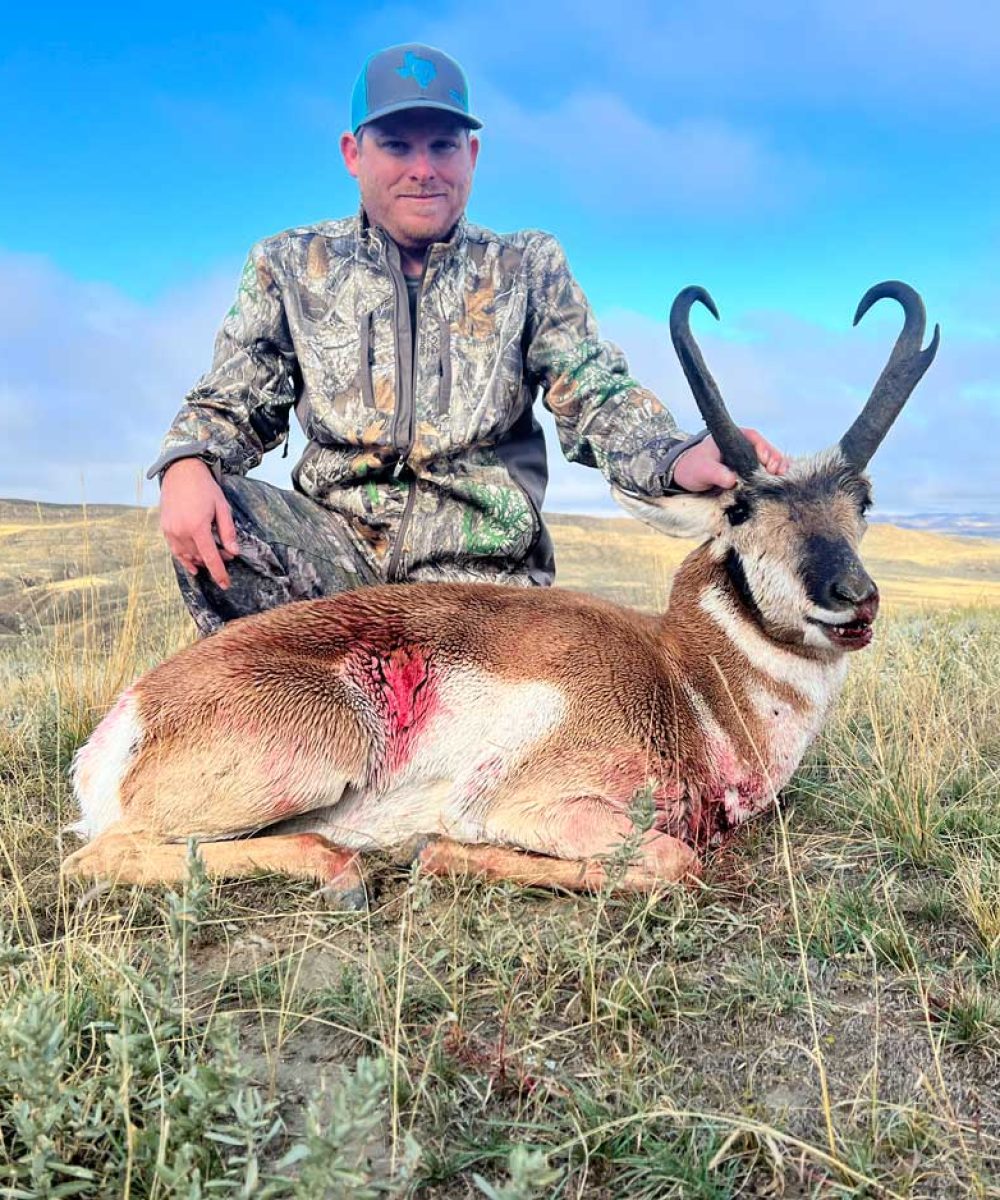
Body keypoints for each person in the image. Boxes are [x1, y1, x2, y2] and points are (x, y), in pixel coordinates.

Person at [150, 43, 787, 636]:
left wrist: (677, 456)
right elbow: (229, 402)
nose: (423, 170)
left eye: (444, 146)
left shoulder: (528, 266)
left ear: (472, 156)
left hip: (484, 581)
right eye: (398, 146)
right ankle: (280, 731)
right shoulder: (287, 266)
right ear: (353, 154)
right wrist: (187, 461)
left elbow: (596, 394)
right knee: (213, 506)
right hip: (336, 569)